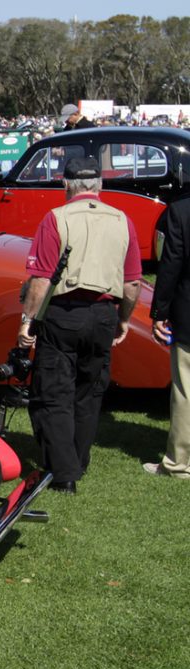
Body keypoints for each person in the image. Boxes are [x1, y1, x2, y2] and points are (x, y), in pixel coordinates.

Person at [18, 156, 141, 494]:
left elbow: (41, 279)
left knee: (54, 392)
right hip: (103, 313)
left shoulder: (56, 218)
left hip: (64, 312)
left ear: (65, 184)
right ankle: (77, 459)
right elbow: (132, 283)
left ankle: (64, 472)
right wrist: (124, 319)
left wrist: (28, 321)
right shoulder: (122, 220)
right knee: (89, 392)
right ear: (99, 185)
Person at [149, 195, 190, 480]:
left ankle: (179, 462)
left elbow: (171, 263)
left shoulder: (181, 210)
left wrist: (159, 311)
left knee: (186, 390)